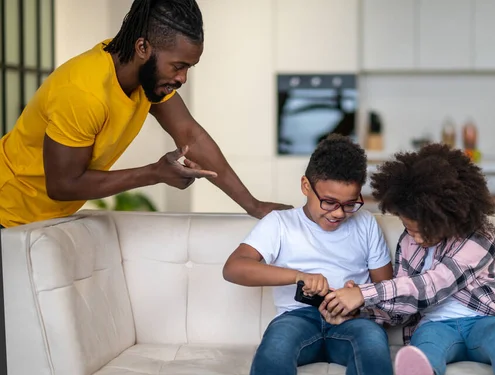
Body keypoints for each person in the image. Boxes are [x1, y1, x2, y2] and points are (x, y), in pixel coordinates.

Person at [0, 0, 289, 229]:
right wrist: (154, 173)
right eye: (178, 66)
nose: (183, 78)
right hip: (8, 213)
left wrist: (254, 206)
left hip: (41, 221)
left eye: (189, 67)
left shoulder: (142, 76)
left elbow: (191, 135)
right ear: (142, 47)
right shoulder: (84, 92)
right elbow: (62, 185)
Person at [321, 144, 495, 375]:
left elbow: (433, 284)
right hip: (435, 325)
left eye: (421, 230)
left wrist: (366, 292)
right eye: (408, 228)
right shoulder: (407, 242)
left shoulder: (479, 239)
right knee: (422, 348)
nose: (414, 238)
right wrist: (358, 311)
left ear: (447, 217)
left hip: (484, 320)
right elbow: (404, 303)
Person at [221, 134, 395, 375]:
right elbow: (234, 267)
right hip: (298, 317)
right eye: (329, 202)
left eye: (350, 204)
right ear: (305, 185)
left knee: (372, 341)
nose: (338, 213)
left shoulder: (366, 224)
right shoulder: (279, 223)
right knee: (277, 344)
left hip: (352, 320)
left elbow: (386, 288)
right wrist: (298, 276)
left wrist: (357, 298)